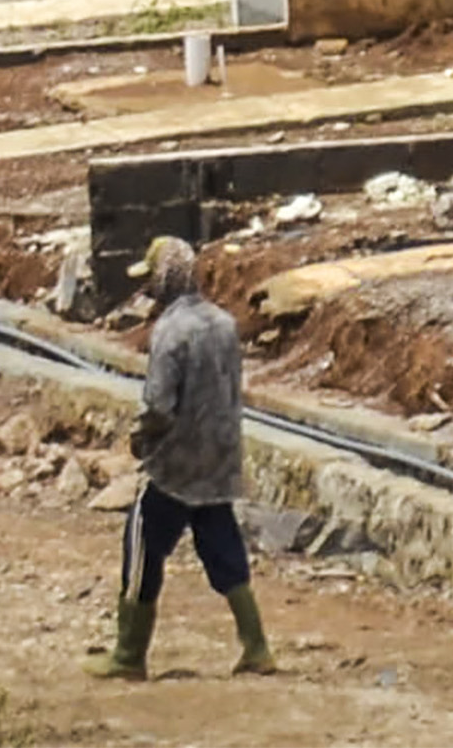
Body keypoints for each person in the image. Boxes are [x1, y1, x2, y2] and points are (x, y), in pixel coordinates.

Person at [90, 236, 277, 679]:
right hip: (219, 458)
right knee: (222, 547)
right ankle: (256, 646)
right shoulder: (224, 324)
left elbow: (158, 405)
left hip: (174, 464)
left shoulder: (170, 332)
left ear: (163, 281)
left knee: (141, 547)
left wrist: (140, 439)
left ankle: (128, 655)